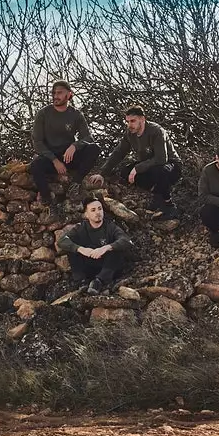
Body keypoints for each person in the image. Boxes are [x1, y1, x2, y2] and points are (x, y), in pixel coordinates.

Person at [29, 80, 101, 215]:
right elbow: (37, 142)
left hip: (69, 155)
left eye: (60, 93)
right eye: (54, 93)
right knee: (35, 165)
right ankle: (47, 199)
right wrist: (54, 161)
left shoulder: (76, 114)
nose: (56, 96)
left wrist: (75, 145)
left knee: (94, 148)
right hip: (50, 156)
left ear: (69, 95)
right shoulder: (43, 113)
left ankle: (75, 184)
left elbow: (88, 137)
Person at [99, 105, 182, 219]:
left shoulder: (156, 131)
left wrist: (138, 168)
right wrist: (102, 173)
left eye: (133, 121)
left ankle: (169, 205)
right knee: (125, 172)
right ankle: (157, 193)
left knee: (159, 171)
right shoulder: (130, 134)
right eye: (127, 121)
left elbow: (161, 158)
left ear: (142, 119)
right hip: (149, 165)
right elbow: (119, 152)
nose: (129, 125)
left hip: (171, 165)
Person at [57, 197, 134, 295]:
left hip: (107, 267)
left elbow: (127, 240)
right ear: (86, 214)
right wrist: (81, 249)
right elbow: (62, 241)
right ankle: (81, 282)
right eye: (93, 210)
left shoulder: (110, 226)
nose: (98, 212)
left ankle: (98, 282)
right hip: (89, 265)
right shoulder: (80, 227)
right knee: (71, 248)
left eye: (100, 209)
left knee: (116, 248)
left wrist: (105, 248)